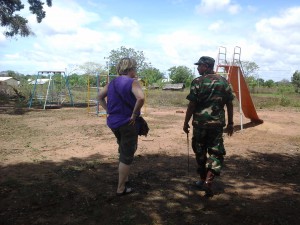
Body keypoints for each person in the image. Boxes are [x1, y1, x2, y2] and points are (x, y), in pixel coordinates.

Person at [183, 56, 234, 197]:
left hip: (200, 124)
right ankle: (208, 181)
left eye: (199, 66)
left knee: (200, 151)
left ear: (206, 66)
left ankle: (202, 179)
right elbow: (230, 104)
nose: (198, 68)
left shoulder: (197, 82)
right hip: (217, 124)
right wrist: (230, 123)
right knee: (216, 152)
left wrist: (186, 122)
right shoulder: (224, 82)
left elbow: (192, 104)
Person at [98, 57, 145, 196]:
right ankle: (121, 188)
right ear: (130, 69)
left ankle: (125, 180)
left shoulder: (112, 83)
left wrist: (108, 110)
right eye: (135, 68)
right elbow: (141, 98)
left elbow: (99, 96)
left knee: (123, 148)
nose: (135, 71)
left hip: (113, 123)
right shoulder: (133, 82)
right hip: (128, 123)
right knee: (127, 154)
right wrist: (134, 114)